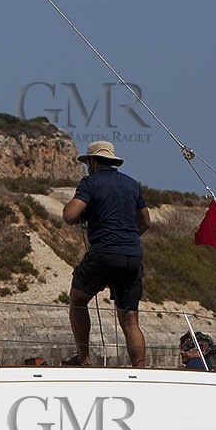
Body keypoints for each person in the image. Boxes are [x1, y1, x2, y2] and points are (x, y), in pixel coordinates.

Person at [62, 140, 149, 368]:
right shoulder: (131, 184)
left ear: (92, 162)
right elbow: (145, 222)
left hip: (104, 253)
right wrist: (128, 238)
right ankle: (140, 368)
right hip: (132, 256)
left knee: (78, 300)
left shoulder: (90, 182)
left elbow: (70, 216)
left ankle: (83, 358)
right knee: (130, 319)